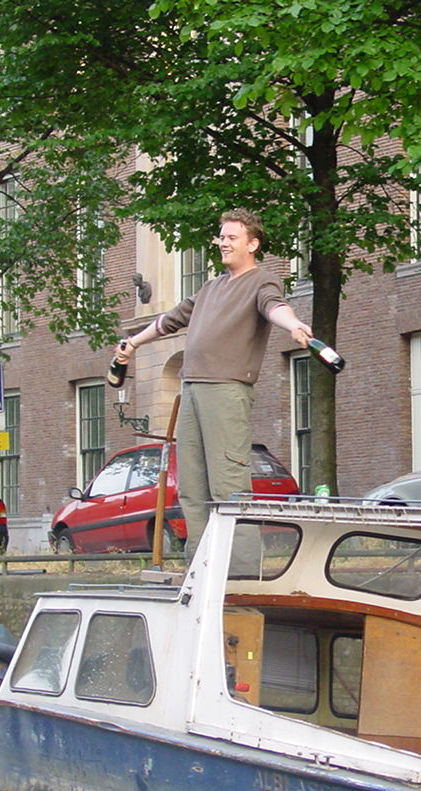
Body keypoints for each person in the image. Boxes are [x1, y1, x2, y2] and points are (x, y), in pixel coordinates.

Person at [114, 209, 312, 556]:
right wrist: (133, 343)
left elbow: (275, 307)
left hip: (226, 391)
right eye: (221, 237)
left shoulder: (262, 282)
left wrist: (293, 324)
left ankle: (241, 570)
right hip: (191, 389)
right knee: (191, 488)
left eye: (232, 237)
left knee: (229, 487)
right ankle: (200, 567)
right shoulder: (210, 287)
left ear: (253, 244)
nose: (223, 243)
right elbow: (171, 320)